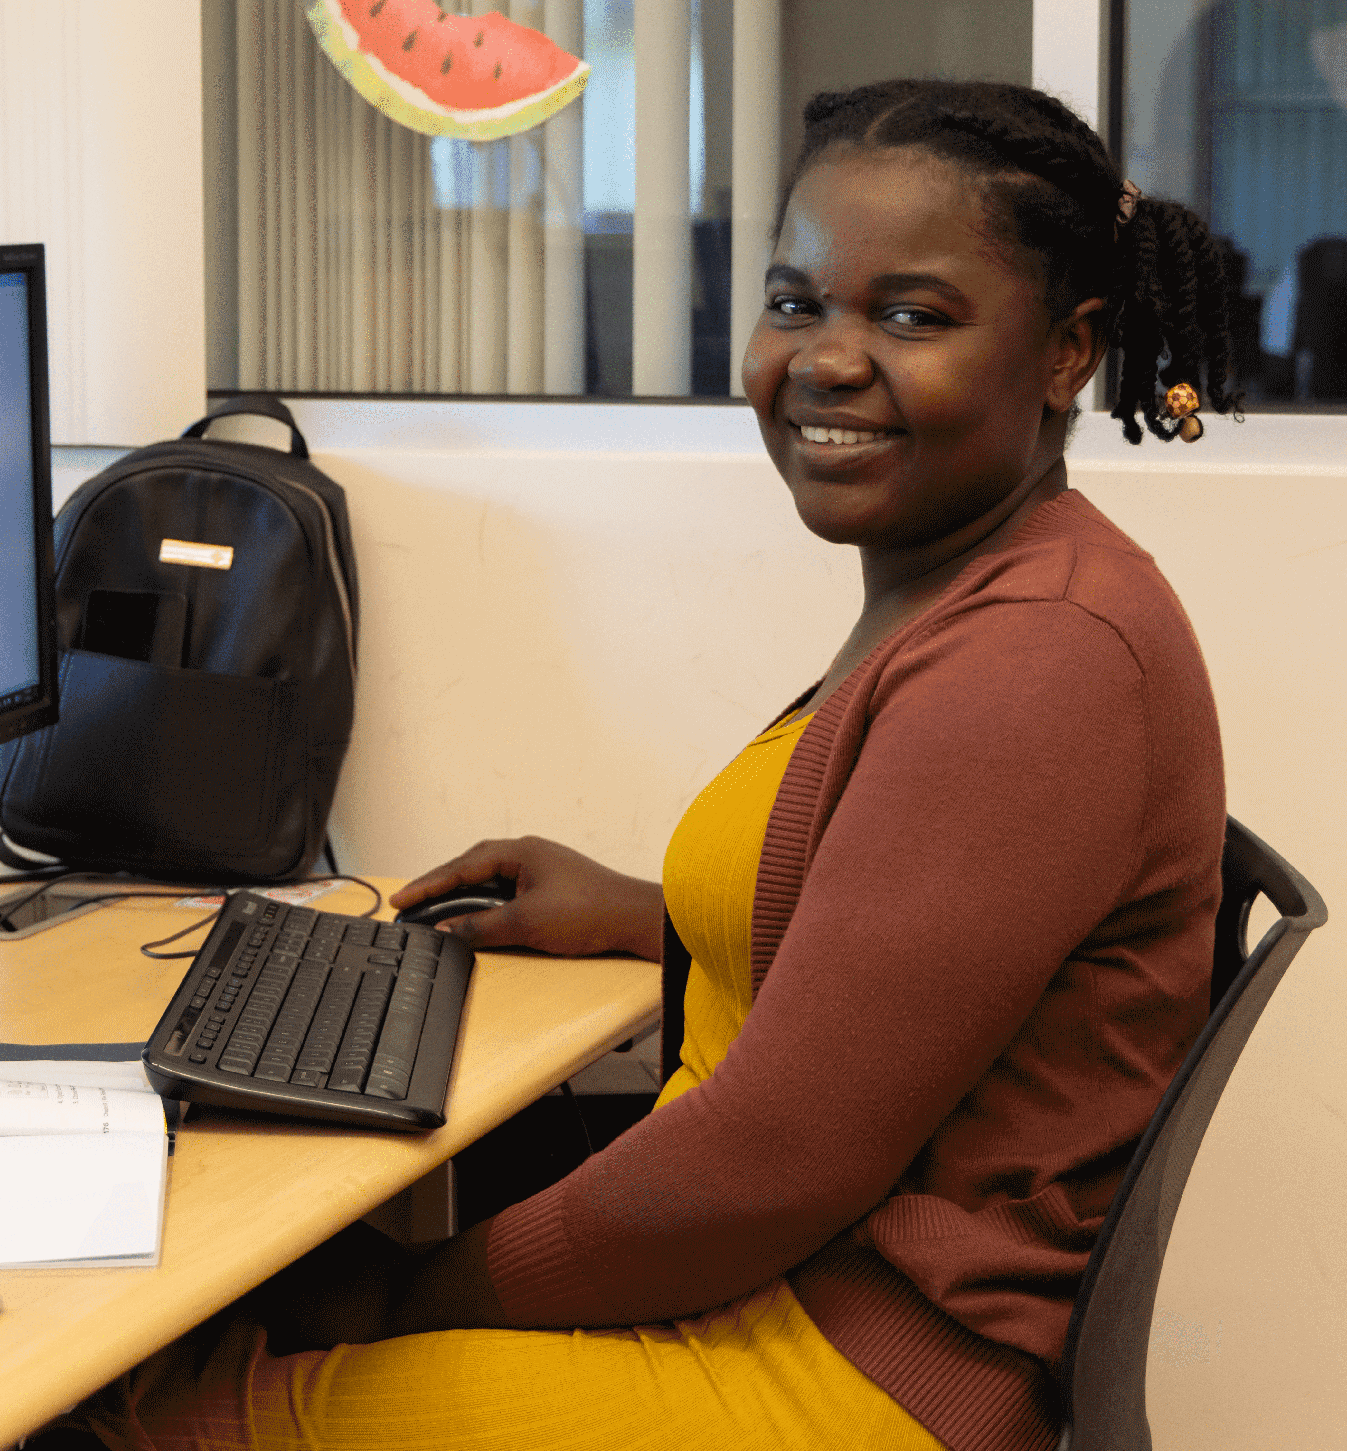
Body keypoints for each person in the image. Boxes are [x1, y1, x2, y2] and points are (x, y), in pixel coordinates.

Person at [68, 77, 1237, 1451]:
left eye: (911, 315)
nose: (827, 358)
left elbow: (762, 1170)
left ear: (1066, 352)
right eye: (796, 301)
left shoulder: (1043, 659)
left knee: (149, 1403)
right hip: (794, 1289)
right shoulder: (980, 580)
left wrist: (414, 1291)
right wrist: (653, 911)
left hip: (841, 1368)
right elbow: (905, 934)